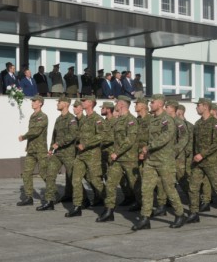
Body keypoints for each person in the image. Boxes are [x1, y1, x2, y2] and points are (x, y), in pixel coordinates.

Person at [132, 94, 188, 231]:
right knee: (146, 188)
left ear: (160, 104)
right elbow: (147, 137)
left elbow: (165, 137)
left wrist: (148, 147)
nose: (150, 104)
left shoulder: (167, 120)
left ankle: (180, 214)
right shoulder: (152, 120)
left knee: (169, 189)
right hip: (151, 160)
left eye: (152, 102)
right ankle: (145, 218)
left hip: (164, 160)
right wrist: (144, 150)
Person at [98, 95, 139, 223]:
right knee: (110, 183)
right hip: (117, 160)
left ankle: (146, 208)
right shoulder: (118, 120)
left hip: (128, 158)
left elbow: (129, 140)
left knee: (135, 186)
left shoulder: (131, 120)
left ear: (121, 105)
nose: (115, 105)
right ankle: (109, 211)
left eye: (116, 103)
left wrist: (117, 152)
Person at [66, 96, 105, 217]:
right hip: (81, 155)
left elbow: (101, 136)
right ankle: (77, 206)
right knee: (75, 180)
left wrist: (86, 144)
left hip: (92, 155)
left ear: (90, 103)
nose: (82, 103)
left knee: (95, 181)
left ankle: (109, 202)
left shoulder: (97, 119)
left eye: (84, 101)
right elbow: (78, 134)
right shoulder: (83, 119)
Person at [39, 96, 79, 210]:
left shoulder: (72, 119)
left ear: (66, 104)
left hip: (69, 153)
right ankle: (49, 201)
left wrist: (59, 144)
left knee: (73, 177)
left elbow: (72, 135)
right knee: (50, 174)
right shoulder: (58, 119)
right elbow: (54, 135)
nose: (57, 104)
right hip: (58, 153)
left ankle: (81, 200)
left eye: (59, 102)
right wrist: (51, 148)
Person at [17, 95, 49, 206]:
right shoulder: (33, 116)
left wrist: (24, 137)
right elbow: (32, 131)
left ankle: (53, 194)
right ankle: (28, 197)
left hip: (40, 149)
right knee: (26, 173)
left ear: (40, 103)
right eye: (32, 101)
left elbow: (36, 131)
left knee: (44, 173)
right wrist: (28, 144)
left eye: (34, 101)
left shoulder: (43, 116)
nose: (32, 103)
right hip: (31, 149)